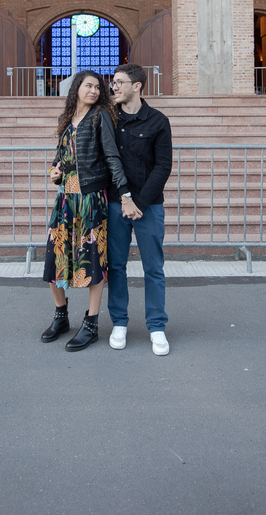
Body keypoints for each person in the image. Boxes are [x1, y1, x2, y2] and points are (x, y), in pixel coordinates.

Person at [41, 69, 130, 352]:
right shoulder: (67, 119)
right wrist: (54, 171)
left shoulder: (99, 117)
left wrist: (125, 193)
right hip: (65, 199)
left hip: (91, 198)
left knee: (93, 261)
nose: (93, 90)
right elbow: (59, 156)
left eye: (97, 87)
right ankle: (61, 315)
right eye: (88, 86)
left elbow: (111, 156)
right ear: (76, 87)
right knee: (54, 258)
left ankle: (91, 323)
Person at [106, 63, 173, 356]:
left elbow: (163, 166)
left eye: (120, 82)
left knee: (153, 268)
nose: (114, 87)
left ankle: (156, 326)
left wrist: (140, 203)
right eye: (113, 82)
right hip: (115, 203)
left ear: (137, 86)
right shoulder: (108, 119)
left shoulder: (158, 121)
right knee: (116, 266)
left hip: (149, 206)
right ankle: (119, 322)